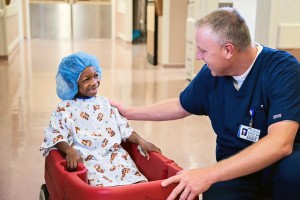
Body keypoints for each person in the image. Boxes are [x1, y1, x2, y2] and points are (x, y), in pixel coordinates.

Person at [110, 7, 300, 200]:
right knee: (218, 193)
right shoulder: (212, 74)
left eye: (203, 51)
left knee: (294, 173)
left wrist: (208, 173)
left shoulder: (282, 70)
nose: (198, 57)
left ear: (228, 50)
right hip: (234, 166)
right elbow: (180, 105)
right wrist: (128, 112)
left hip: (280, 164)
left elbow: (280, 143)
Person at [40, 52, 161, 187]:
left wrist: (141, 141)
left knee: (138, 184)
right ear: (72, 83)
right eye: (86, 79)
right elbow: (56, 134)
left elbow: (123, 127)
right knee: (100, 188)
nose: (94, 82)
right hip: (87, 158)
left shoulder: (105, 103)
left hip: (114, 155)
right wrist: (69, 150)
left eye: (96, 76)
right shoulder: (65, 109)